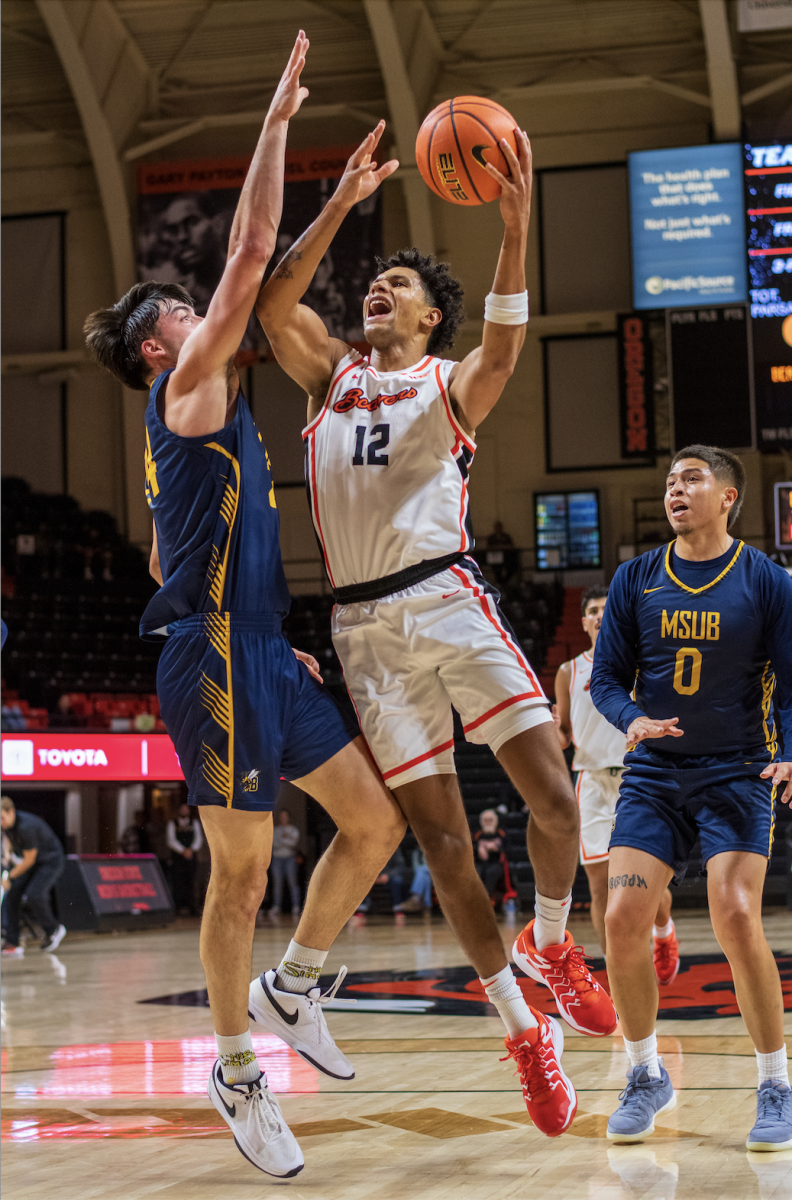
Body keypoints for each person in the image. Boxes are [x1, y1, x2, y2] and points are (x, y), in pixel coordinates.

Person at [83, 34, 404, 1181]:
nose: (200, 306)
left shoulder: (208, 375)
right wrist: (274, 124)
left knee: (373, 825)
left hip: (263, 646)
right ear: (157, 342)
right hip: (208, 653)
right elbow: (252, 253)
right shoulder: (183, 384)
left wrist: (339, 203)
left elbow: (269, 276)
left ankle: (293, 984)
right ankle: (232, 1064)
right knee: (238, 872)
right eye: (182, 302)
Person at [254, 119, 616, 1138]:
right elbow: (275, 299)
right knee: (445, 846)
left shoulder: (447, 384)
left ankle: (550, 941)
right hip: (364, 634)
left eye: (402, 287)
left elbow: (506, 343)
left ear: (429, 318)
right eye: (378, 283)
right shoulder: (328, 376)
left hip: (447, 599)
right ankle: (521, 1034)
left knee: (554, 798)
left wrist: (516, 219)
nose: (382, 290)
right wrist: (337, 205)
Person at [591, 445, 792, 1151]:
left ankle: (775, 1083)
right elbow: (604, 680)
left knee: (736, 914)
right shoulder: (635, 579)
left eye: (691, 479)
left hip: (737, 771)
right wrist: (631, 720)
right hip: (654, 773)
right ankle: (644, 1074)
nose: (675, 489)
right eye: (670, 480)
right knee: (621, 915)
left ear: (728, 497)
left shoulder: (766, 581)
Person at [554, 587, 678, 980]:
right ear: (584, 621)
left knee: (649, 883)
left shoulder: (639, 665)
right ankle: (619, 977)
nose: (599, 616)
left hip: (636, 779)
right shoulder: (568, 672)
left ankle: (663, 930)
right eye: (592, 611)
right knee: (599, 886)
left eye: (606, 611)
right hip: (590, 781)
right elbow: (562, 735)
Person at [0, 796, 66, 956]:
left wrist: (7, 877)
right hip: (32, 862)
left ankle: (54, 930)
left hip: (50, 861)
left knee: (34, 894)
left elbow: (29, 860)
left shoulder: (26, 826)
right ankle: (12, 942)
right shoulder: (8, 824)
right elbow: (8, 839)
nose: (0, 822)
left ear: (11, 812)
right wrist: (7, 856)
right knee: (13, 894)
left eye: (2, 818)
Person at [166, 803, 203, 914]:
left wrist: (191, 850)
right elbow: (171, 840)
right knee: (178, 882)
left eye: (186, 810)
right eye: (182, 809)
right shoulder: (172, 823)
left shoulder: (194, 823)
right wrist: (182, 850)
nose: (184, 812)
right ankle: (177, 907)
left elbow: (198, 839)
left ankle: (192, 907)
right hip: (178, 857)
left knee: (191, 882)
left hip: (191, 856)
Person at [269, 809, 301, 916]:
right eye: (281, 816)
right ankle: (276, 906)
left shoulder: (293, 830)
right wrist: (285, 840)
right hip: (277, 858)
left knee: (292, 882)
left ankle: (296, 906)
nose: (283, 818)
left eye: (285, 816)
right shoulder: (275, 830)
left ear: (288, 817)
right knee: (277, 884)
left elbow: (293, 843)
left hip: (289, 858)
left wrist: (284, 840)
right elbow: (273, 843)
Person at [474, 808, 506, 902]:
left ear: (495, 821)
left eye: (490, 820)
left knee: (491, 872)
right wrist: (480, 848)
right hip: (480, 863)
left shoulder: (501, 833)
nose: (488, 822)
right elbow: (471, 848)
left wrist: (496, 847)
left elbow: (508, 849)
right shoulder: (477, 834)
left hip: (497, 863)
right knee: (476, 872)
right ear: (481, 822)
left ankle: (487, 899)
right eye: (485, 820)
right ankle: (478, 898)